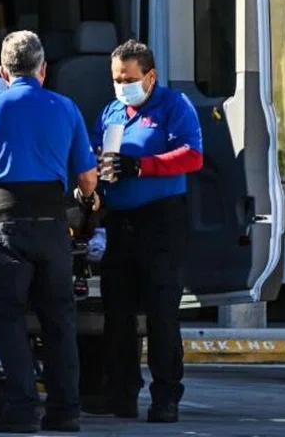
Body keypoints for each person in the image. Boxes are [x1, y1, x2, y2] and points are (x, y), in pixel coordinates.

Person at [0, 30, 100, 434]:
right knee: (59, 320)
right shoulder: (65, 107)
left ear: (3, 72)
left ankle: (20, 410)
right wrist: (87, 203)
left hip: (5, 223)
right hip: (53, 225)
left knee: (7, 318)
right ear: (43, 69)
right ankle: (65, 411)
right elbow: (87, 178)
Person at [92, 39, 203, 424]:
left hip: (161, 223)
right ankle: (121, 394)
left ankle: (166, 396)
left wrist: (142, 166)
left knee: (161, 313)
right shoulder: (111, 111)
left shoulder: (174, 105)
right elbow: (97, 153)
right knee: (117, 313)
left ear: (150, 76)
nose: (122, 86)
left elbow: (192, 155)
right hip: (120, 222)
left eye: (129, 79)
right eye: (116, 79)